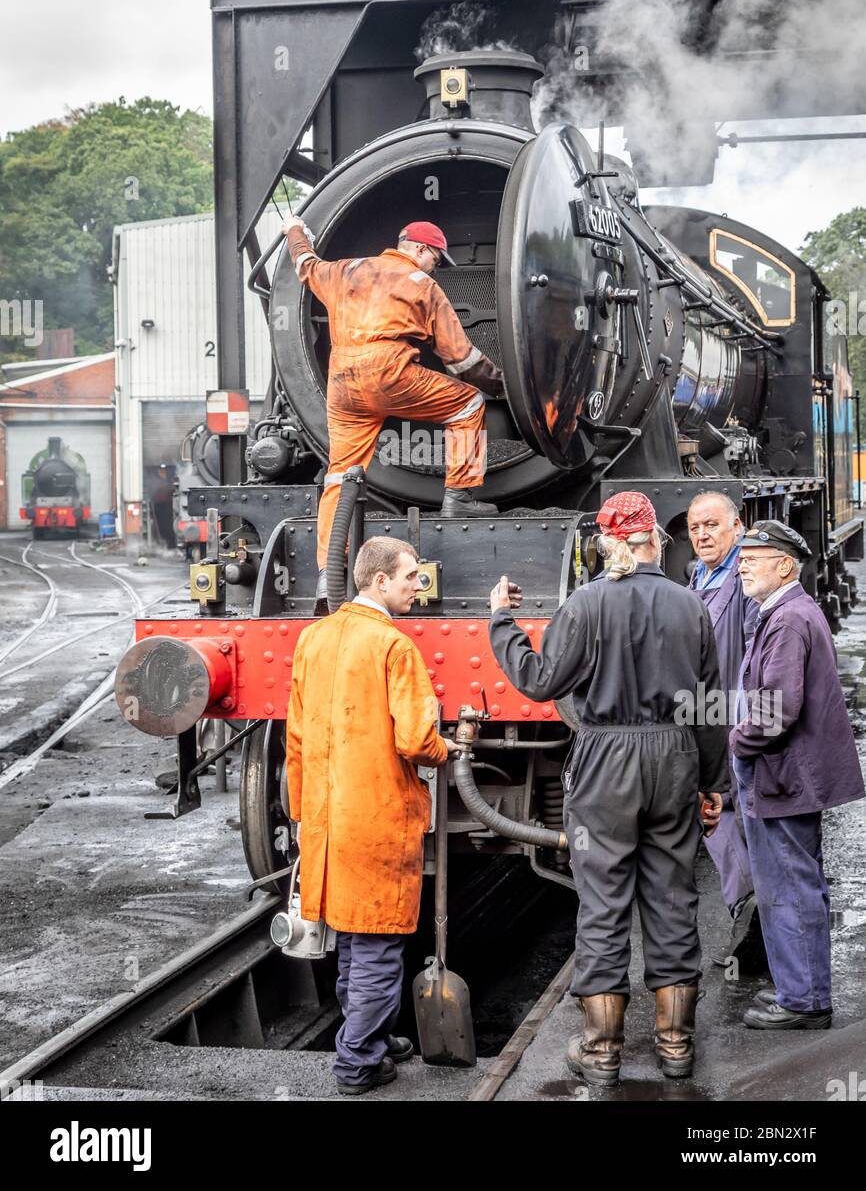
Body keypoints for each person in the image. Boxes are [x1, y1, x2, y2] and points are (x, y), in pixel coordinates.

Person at [487, 491, 729, 1085]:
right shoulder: (690, 605)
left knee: (602, 903)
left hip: (604, 764)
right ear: (653, 539)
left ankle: (601, 1054)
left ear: (607, 543)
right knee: (673, 897)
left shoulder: (585, 605)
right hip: (672, 757)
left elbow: (540, 680)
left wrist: (502, 623)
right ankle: (676, 1046)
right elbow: (708, 705)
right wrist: (712, 781)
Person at [285, 535, 457, 1094]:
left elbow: (293, 739)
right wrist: (446, 749)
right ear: (380, 581)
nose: (418, 584)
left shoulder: (311, 638)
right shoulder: (393, 646)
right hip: (378, 818)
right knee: (380, 947)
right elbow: (414, 739)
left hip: (327, 822)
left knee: (354, 943)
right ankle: (358, 1062)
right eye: (410, 576)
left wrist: (300, 813)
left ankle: (372, 1038)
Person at [280, 215, 504, 603]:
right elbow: (460, 359)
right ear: (419, 249)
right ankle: (459, 500)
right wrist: (506, 385)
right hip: (390, 373)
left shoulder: (345, 270)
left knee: (339, 474)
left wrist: (294, 231)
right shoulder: (423, 284)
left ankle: (326, 572)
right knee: (468, 402)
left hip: (343, 382)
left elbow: (304, 264)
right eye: (436, 257)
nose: (437, 266)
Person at [731, 520, 865, 1030]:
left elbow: (776, 710)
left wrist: (735, 741)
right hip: (790, 773)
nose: (742, 563)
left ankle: (805, 1001)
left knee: (788, 885)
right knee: (796, 880)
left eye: (755, 556)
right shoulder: (789, 611)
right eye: (742, 555)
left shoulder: (786, 620)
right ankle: (800, 990)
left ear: (784, 565)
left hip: (782, 775)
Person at [687, 491, 763, 968]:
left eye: (712, 525)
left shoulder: (744, 576)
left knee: (726, 813)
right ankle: (751, 923)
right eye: (695, 528)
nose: (702, 536)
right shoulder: (701, 573)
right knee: (721, 814)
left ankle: (754, 922)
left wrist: (746, 720)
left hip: (729, 715)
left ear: (737, 524)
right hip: (706, 712)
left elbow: (757, 655)